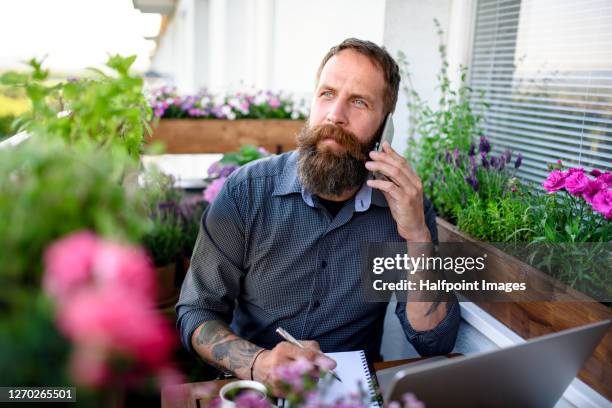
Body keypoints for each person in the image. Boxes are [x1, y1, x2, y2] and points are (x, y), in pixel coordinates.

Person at [176, 38, 461, 394]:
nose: (335, 114)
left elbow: (434, 341)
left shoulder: (403, 208)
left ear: (384, 127)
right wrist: (258, 362)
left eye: (359, 102)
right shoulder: (246, 192)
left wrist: (417, 235)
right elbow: (195, 313)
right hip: (253, 389)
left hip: (349, 392)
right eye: (327, 94)